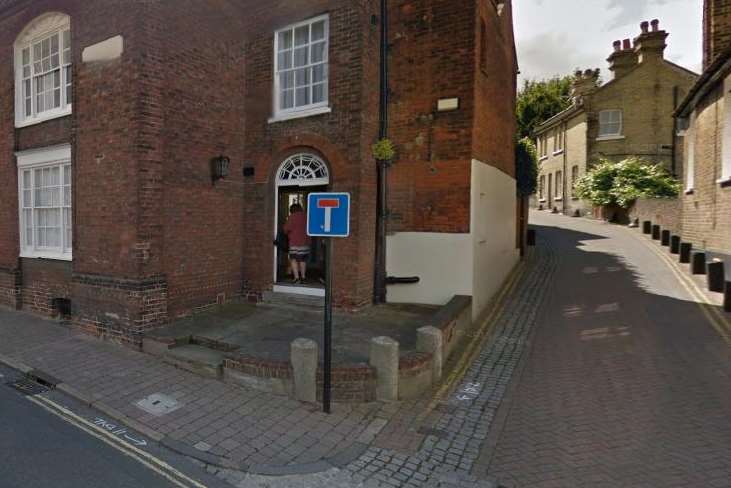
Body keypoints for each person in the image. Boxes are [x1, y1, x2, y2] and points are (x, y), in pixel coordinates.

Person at [283, 203, 310, 284]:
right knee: (303, 260)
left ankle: (296, 278)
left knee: (293, 259)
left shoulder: (292, 217)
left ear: (292, 210)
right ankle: (303, 277)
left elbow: (286, 229)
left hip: (294, 242)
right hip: (305, 242)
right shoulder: (306, 216)